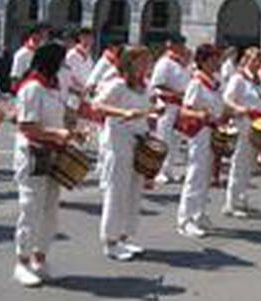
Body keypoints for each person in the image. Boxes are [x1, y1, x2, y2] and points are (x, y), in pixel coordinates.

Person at [11, 42, 72, 287]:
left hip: (52, 152)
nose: (63, 66)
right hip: (32, 154)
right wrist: (57, 134)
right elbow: (27, 126)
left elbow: (60, 116)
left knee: (50, 210)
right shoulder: (32, 88)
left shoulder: (53, 88)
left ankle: (40, 259)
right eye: (61, 61)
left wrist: (70, 130)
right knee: (31, 208)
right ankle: (22, 262)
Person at [92, 46, 155, 260]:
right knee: (117, 190)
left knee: (134, 190)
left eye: (148, 62)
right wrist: (123, 112)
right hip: (118, 142)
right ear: (130, 63)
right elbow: (97, 105)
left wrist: (156, 111)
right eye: (143, 62)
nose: (147, 66)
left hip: (139, 140)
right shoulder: (117, 85)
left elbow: (149, 109)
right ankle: (110, 241)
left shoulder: (145, 87)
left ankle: (124, 237)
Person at [176, 44, 224, 238]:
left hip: (211, 130)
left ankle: (199, 214)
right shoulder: (196, 82)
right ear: (203, 61)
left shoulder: (213, 82)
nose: (217, 63)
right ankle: (184, 220)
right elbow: (184, 109)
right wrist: (200, 114)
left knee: (206, 176)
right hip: (199, 132)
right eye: (213, 60)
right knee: (195, 175)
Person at [222, 47, 261, 218]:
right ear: (246, 60)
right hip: (243, 124)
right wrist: (240, 108)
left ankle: (242, 199)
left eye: (259, 60)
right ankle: (231, 203)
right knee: (239, 164)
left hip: (258, 126)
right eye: (254, 59)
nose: (257, 63)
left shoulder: (259, 80)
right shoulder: (238, 78)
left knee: (248, 165)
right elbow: (227, 99)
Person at [149, 35, 190, 185]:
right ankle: (158, 171)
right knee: (163, 138)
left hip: (179, 104)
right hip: (167, 104)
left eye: (182, 44)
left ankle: (168, 170)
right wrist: (175, 93)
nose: (182, 47)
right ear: (170, 45)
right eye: (179, 44)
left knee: (175, 139)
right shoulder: (164, 62)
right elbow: (157, 84)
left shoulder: (179, 63)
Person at [10, 22, 51, 87]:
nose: (39, 42)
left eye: (41, 39)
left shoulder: (45, 53)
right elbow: (15, 80)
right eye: (35, 40)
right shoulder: (21, 55)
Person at [64, 27, 94, 97]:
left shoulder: (89, 57)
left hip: (86, 93)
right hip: (73, 94)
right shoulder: (71, 55)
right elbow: (68, 76)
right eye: (85, 37)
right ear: (80, 38)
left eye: (90, 37)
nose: (88, 40)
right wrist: (83, 87)